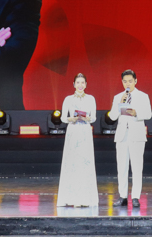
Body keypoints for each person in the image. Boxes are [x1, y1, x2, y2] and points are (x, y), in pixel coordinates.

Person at [109, 69, 152, 208]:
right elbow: (112, 116)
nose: (127, 84)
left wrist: (136, 113)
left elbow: (148, 114)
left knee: (137, 167)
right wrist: (119, 104)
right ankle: (122, 196)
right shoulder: (118, 97)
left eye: (130, 81)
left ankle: (135, 197)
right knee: (121, 167)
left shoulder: (143, 96)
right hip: (122, 135)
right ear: (122, 82)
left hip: (137, 135)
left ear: (135, 81)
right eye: (125, 81)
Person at [56, 73, 99, 207]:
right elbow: (63, 118)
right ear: (73, 84)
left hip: (85, 130)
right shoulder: (68, 99)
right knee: (72, 161)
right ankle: (71, 198)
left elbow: (94, 117)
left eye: (82, 82)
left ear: (86, 84)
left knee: (85, 161)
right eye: (78, 82)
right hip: (73, 130)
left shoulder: (91, 99)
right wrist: (72, 119)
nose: (80, 85)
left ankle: (85, 198)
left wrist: (87, 118)